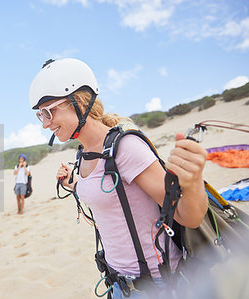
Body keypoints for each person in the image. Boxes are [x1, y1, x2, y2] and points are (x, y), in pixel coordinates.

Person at [29, 58, 208, 298]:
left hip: (157, 285)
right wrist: (71, 183)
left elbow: (189, 216)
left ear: (79, 102)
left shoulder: (126, 148)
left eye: (49, 112)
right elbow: (105, 191)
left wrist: (194, 181)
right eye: (41, 115)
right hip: (119, 283)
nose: (45, 123)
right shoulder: (84, 154)